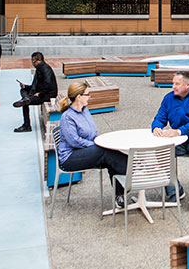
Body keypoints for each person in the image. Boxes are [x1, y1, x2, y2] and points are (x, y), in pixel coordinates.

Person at [56, 81, 128, 209]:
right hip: (70, 157)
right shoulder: (67, 117)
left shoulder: (85, 110)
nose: (90, 97)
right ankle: (134, 171)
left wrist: (100, 143)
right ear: (79, 97)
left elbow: (92, 133)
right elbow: (74, 141)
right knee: (104, 152)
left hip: (86, 150)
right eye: (87, 94)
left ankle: (120, 194)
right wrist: (95, 144)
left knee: (110, 153)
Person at [152, 72, 189, 217]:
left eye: (177, 84)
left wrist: (179, 131)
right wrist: (156, 127)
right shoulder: (168, 98)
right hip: (177, 141)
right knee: (159, 151)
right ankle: (175, 190)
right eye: (173, 83)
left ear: (187, 85)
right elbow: (160, 117)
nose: (173, 86)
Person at [13, 52, 58, 133]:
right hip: (41, 92)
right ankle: (26, 99)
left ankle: (27, 125)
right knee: (23, 90)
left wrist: (40, 93)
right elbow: (36, 86)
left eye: (33, 61)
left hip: (47, 95)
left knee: (25, 103)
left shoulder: (45, 69)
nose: (32, 64)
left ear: (39, 60)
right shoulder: (39, 69)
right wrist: (26, 86)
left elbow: (48, 84)